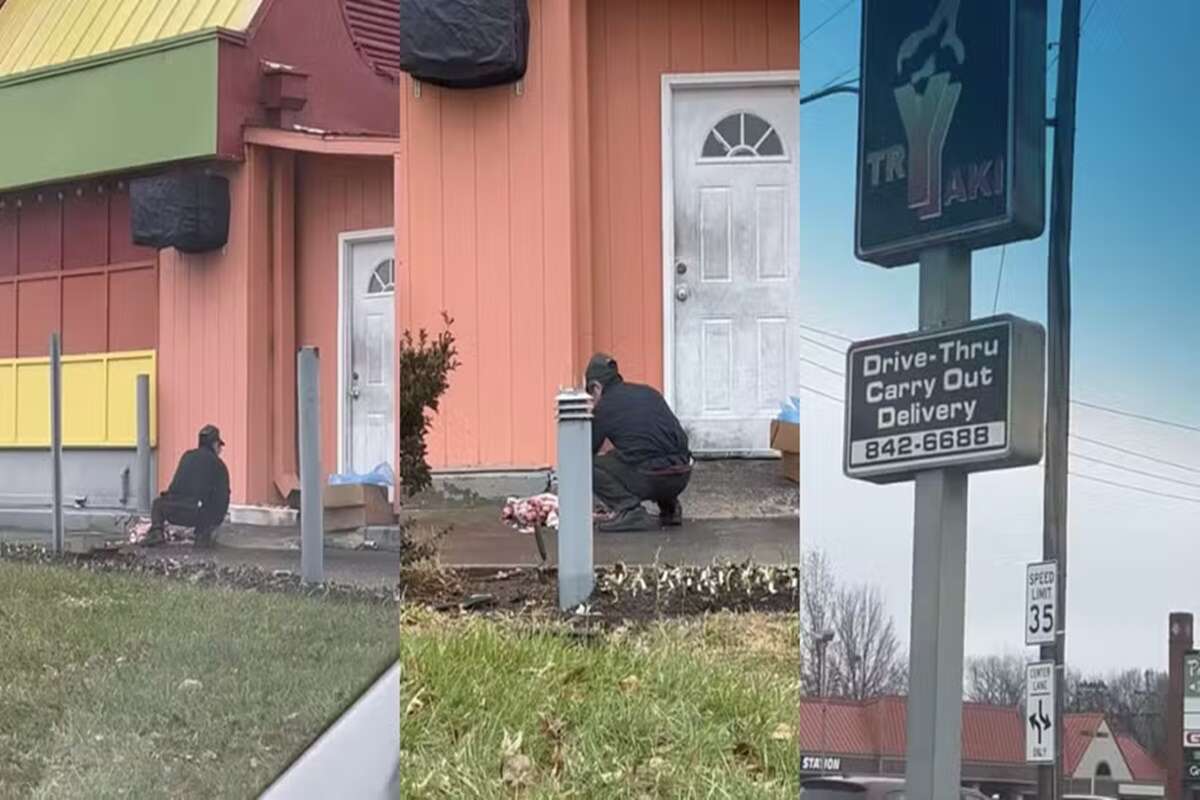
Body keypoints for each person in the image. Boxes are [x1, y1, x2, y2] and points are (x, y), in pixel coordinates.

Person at [586, 353, 693, 532]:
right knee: (651, 451)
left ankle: (629, 510)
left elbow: (587, 450)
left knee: (587, 466)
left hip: (651, 477)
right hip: (682, 475)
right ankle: (670, 508)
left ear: (596, 387)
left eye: (590, 394)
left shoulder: (604, 407)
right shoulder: (648, 392)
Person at [142, 424, 231, 548]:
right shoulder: (219, 465)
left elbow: (174, 486)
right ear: (215, 445)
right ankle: (202, 537)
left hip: (172, 510)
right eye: (220, 446)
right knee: (209, 509)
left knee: (157, 503)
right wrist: (217, 520)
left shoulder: (187, 456)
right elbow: (223, 497)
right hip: (197, 514)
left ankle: (157, 532)